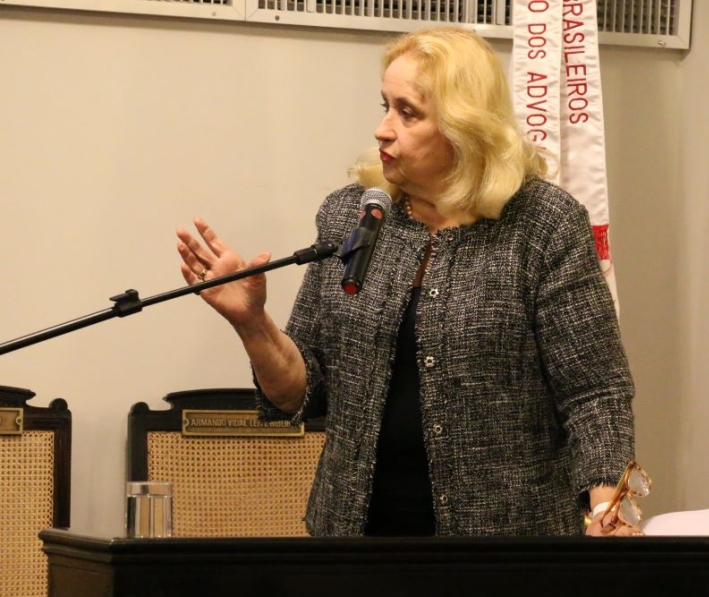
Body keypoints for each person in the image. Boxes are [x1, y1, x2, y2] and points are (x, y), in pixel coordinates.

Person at [176, 27, 637, 537]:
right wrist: (253, 324)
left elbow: (595, 392)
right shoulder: (351, 216)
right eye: (385, 106)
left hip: (507, 543)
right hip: (355, 536)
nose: (383, 129)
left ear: (464, 126)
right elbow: (302, 392)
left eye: (407, 112)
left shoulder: (541, 224)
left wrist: (607, 511)